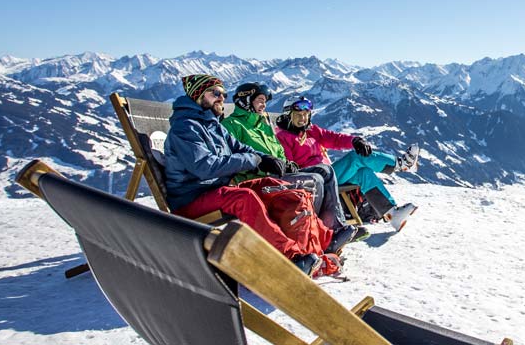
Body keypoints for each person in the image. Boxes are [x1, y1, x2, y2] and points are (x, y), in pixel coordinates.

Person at [162, 74, 333, 276]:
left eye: (223, 94)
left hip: (218, 190)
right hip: (192, 197)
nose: (221, 98)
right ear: (198, 95)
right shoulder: (186, 127)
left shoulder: (213, 125)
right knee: (245, 198)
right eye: (215, 93)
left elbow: (240, 148)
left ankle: (319, 247)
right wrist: (253, 161)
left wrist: (265, 158)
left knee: (278, 188)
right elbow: (204, 166)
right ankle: (290, 258)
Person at [221, 82, 361, 243]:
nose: (264, 105)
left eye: (265, 101)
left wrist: (286, 163)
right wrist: (260, 164)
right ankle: (313, 233)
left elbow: (279, 152)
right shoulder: (231, 126)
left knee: (325, 171)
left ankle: (334, 228)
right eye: (260, 100)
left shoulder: (263, 125)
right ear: (245, 100)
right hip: (256, 180)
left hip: (277, 174)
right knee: (314, 180)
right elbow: (232, 159)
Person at [275, 96, 420, 231]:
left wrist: (354, 141)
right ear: (288, 115)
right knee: (356, 157)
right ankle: (401, 164)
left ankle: (392, 214)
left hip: (328, 174)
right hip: (314, 180)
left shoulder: (311, 130)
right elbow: (289, 168)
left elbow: (334, 139)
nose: (303, 118)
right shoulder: (282, 137)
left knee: (364, 173)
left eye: (306, 114)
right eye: (298, 114)